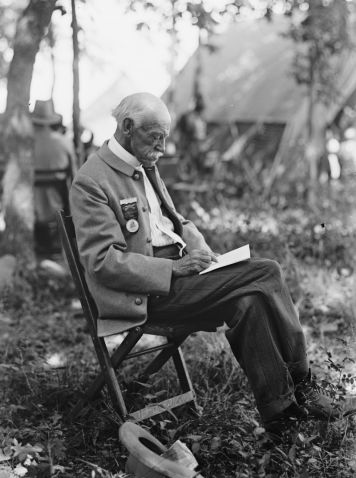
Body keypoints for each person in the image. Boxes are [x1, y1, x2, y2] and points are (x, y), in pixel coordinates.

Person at [70, 92, 339, 435]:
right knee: (266, 271)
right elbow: (104, 262)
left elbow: (173, 224)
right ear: (127, 128)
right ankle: (304, 383)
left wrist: (207, 259)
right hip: (146, 295)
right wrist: (173, 269)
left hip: (182, 279)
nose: (163, 147)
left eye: (165, 137)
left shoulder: (144, 166)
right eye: (157, 138)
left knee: (249, 299)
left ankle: (281, 416)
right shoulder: (92, 180)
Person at [31, 99, 76, 254]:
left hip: (32, 202)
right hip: (58, 201)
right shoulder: (64, 142)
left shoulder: (25, 143)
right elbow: (74, 173)